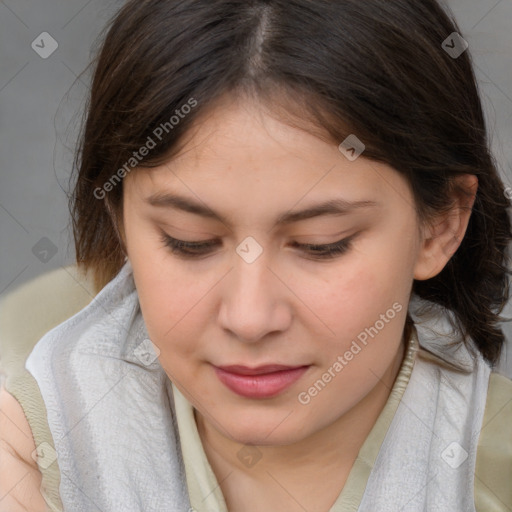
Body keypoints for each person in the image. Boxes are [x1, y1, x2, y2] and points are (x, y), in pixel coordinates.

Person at [1, 0, 511, 511]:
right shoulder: (30, 445)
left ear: (440, 226)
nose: (249, 318)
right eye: (189, 240)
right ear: (120, 218)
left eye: (321, 245)